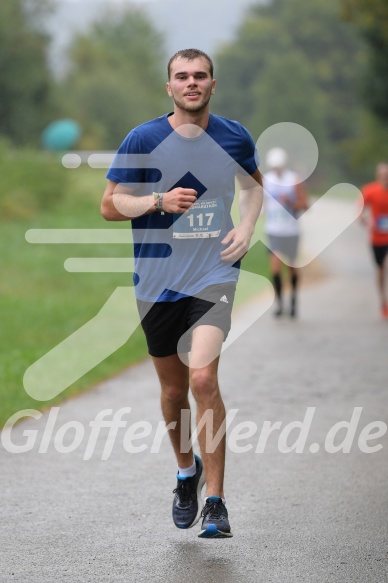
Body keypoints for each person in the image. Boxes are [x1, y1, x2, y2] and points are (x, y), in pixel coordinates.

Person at [100, 48, 262, 538]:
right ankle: (186, 473)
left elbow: (253, 186)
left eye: (200, 76)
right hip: (157, 282)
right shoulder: (143, 138)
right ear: (168, 87)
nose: (191, 83)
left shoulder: (234, 135)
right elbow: (109, 205)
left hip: (216, 274)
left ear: (213, 84)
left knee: (202, 380)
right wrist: (156, 201)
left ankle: (216, 502)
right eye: (182, 76)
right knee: (173, 392)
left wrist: (248, 225)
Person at [262, 147, 309, 318]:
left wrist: (290, 202)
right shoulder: (266, 180)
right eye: (274, 167)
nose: (277, 170)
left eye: (279, 167)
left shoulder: (293, 179)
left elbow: (305, 205)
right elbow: (261, 203)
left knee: (291, 267)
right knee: (275, 268)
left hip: (291, 231)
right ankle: (280, 303)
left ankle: (294, 301)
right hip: (273, 231)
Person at [359, 162, 388, 319]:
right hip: (377, 238)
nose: (385, 178)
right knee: (381, 269)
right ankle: (383, 301)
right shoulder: (370, 190)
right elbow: (360, 211)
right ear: (378, 175)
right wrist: (365, 221)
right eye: (383, 175)